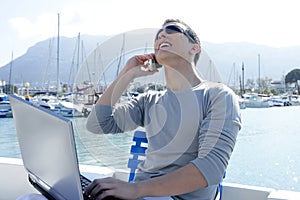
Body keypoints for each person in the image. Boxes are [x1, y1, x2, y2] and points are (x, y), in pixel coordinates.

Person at [85, 19, 241, 200]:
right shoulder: (149, 101)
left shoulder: (217, 96)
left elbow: (210, 167)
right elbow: (97, 124)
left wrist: (135, 189)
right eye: (158, 34)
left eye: (172, 29)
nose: (162, 34)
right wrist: (127, 74)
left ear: (195, 48)